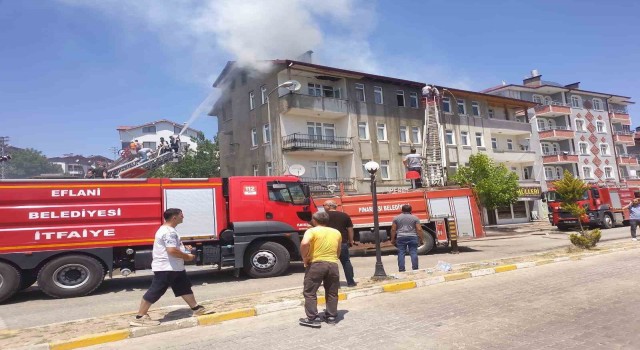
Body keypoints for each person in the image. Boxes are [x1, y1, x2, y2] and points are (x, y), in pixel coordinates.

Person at [130, 208, 215, 327]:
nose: (183, 217)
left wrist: (184, 249)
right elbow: (171, 250)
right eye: (181, 215)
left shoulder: (169, 230)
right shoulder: (169, 232)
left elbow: (173, 248)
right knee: (156, 290)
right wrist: (187, 257)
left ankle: (196, 309)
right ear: (174, 217)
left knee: (184, 287)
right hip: (166, 267)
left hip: (174, 267)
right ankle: (140, 317)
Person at [299, 211, 342, 328]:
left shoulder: (311, 231)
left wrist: (304, 257)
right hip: (333, 264)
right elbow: (338, 250)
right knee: (332, 292)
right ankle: (331, 316)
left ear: (314, 220)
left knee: (310, 292)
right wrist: (333, 259)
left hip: (316, 264)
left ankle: (313, 318)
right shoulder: (336, 232)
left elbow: (304, 243)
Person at [323, 200, 357, 287]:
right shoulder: (344, 215)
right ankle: (351, 282)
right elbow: (350, 229)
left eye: (324, 205)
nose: (323, 207)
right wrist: (351, 240)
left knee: (331, 263)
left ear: (329, 206)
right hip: (342, 242)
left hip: (328, 243)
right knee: (346, 262)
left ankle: (335, 284)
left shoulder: (323, 216)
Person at [390, 204, 424, 272]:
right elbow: (419, 229)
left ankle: (401, 269)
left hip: (401, 237)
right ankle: (415, 269)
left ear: (402, 210)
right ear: (411, 210)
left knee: (401, 253)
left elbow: (393, 229)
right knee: (413, 252)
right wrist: (421, 239)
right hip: (412, 236)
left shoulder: (396, 218)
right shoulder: (415, 218)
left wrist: (392, 239)